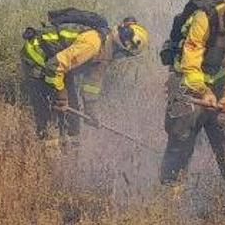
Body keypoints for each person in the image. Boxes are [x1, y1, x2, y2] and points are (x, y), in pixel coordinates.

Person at [157, 0, 225, 198]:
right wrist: (203, 91)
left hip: (218, 81)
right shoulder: (204, 18)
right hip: (187, 80)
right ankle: (168, 197)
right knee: (181, 135)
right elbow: (190, 61)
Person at [19, 10, 147, 146]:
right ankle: (46, 152)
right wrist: (61, 95)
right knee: (51, 115)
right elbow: (53, 66)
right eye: (124, 55)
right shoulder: (93, 44)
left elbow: (92, 84)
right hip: (39, 59)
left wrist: (90, 111)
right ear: (122, 48)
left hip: (60, 68)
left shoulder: (106, 51)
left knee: (73, 120)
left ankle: (71, 152)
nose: (121, 58)